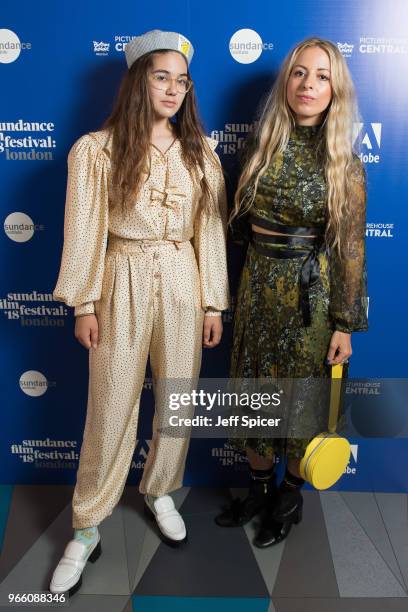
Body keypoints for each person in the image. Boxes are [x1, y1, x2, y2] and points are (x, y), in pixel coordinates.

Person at [50, 29, 229, 595]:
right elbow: (86, 233)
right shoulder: (96, 150)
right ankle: (86, 528)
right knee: (110, 406)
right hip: (120, 276)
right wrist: (84, 302)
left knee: (178, 395)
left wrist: (212, 302)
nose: (173, 89)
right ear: (138, 81)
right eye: (161, 77)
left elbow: (210, 234)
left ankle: (158, 490)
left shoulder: (200, 153)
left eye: (182, 80)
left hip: (182, 277)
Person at [215, 37, 368, 547]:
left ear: (335, 90)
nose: (308, 84)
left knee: (304, 405)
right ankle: (259, 489)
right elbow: (237, 227)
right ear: (287, 82)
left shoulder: (343, 164)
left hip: (312, 303)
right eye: (300, 73)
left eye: (322, 76)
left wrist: (345, 323)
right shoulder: (261, 147)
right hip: (258, 290)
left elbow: (350, 250)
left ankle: (290, 496)